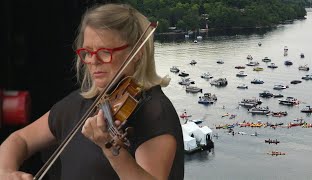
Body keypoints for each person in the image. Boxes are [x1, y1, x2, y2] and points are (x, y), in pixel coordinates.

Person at [0, 3, 184, 180]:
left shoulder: (153, 111)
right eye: (87, 52)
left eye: (104, 52)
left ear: (137, 52)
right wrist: (5, 170)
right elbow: (20, 139)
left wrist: (110, 149)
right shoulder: (77, 104)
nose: (93, 61)